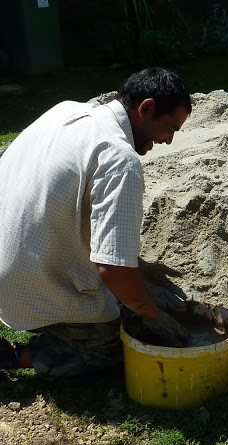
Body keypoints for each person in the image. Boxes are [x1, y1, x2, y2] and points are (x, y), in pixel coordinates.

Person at [0, 67, 193, 377]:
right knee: (119, 346)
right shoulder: (119, 158)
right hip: (24, 288)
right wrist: (153, 316)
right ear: (146, 109)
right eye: (169, 128)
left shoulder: (66, 111)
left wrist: (137, 267)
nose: (168, 140)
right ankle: (14, 356)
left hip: (10, 261)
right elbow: (112, 270)